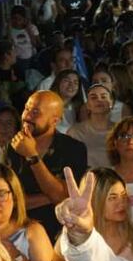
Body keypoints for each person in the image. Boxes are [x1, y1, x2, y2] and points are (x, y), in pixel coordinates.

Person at [6, 90, 89, 241]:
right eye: (26, 109)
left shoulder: (74, 148)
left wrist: (32, 156)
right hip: (20, 232)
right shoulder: (13, 146)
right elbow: (11, 201)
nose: (27, 116)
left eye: (36, 112)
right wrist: (54, 195)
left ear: (54, 121)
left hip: (61, 233)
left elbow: (71, 199)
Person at [67, 83, 116, 168]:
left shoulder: (120, 130)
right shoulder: (75, 132)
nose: (99, 100)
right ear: (88, 105)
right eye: (94, 97)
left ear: (111, 103)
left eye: (103, 97)